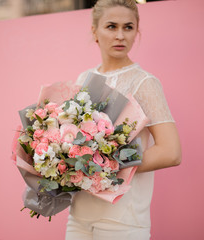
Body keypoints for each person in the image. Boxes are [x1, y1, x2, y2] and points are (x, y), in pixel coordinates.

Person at [65, 0, 182, 239]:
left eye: (128, 27)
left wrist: (109, 165)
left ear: (136, 31)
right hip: (79, 216)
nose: (120, 35)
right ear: (94, 31)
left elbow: (170, 151)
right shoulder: (84, 78)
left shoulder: (144, 83)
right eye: (111, 26)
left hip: (122, 219)